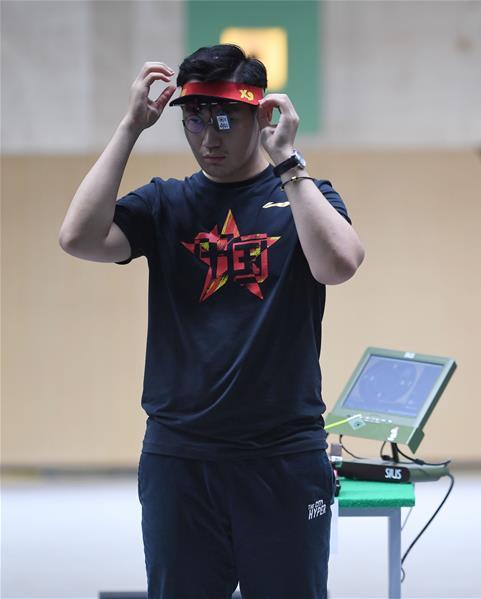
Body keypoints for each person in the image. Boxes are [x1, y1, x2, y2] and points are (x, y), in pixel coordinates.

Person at [58, 44, 364, 598]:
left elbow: (339, 264)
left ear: (260, 116)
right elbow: (78, 237)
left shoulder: (304, 196)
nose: (207, 138)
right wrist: (129, 128)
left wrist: (288, 162)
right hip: (180, 458)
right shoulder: (165, 203)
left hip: (282, 456)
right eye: (194, 120)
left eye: (224, 120)